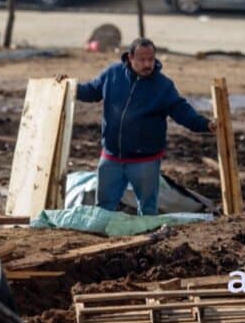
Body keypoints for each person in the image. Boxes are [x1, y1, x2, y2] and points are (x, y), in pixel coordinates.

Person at [71, 38, 217, 216]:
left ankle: (148, 241)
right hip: (111, 157)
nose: (148, 64)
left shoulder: (163, 86)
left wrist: (205, 124)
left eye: (151, 59)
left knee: (147, 209)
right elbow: (91, 91)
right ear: (130, 58)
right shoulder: (112, 74)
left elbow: (182, 111)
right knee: (103, 206)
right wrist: (69, 87)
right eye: (142, 60)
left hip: (145, 161)